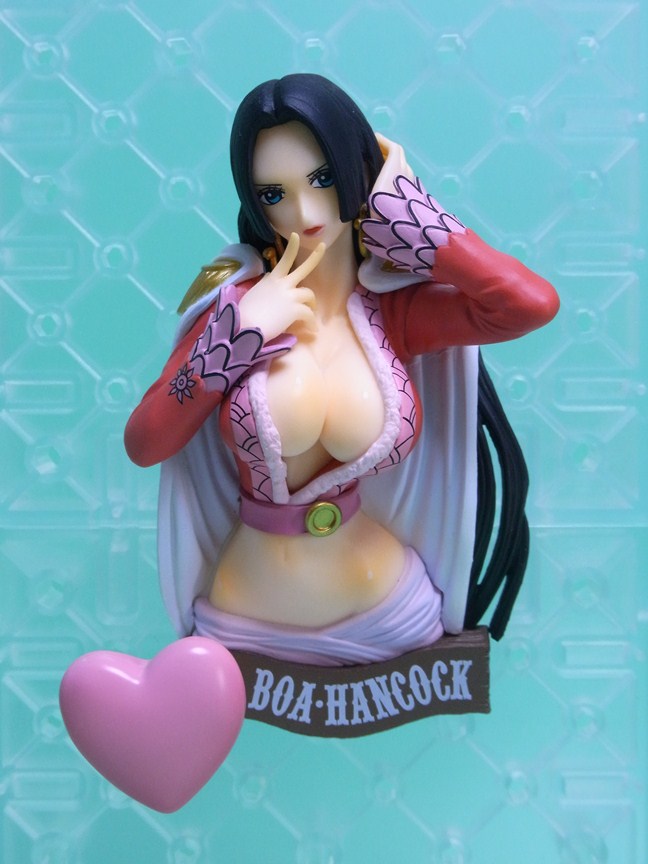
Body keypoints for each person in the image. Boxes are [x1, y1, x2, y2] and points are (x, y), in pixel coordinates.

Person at [124, 74, 559, 668]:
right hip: (246, 610)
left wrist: (421, 225)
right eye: (273, 193)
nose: (304, 212)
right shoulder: (231, 295)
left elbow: (528, 305)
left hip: (389, 606)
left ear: (357, 173)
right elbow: (146, 440)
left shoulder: (393, 313)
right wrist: (234, 339)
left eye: (324, 179)